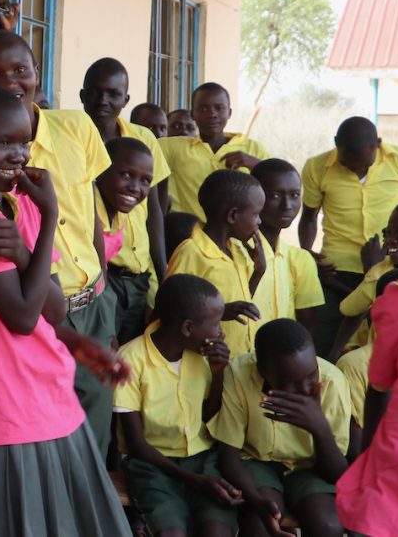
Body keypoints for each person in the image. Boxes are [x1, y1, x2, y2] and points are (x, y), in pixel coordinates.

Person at [0, 84, 130, 536]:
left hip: (47, 396)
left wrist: (29, 249)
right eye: (3, 142)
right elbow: (22, 317)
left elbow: (55, 309)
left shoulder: (19, 204)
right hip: (2, 408)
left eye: (23, 142)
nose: (18, 154)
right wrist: (43, 231)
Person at [0, 29, 119, 458]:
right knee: (49, 436)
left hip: (93, 302)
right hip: (38, 308)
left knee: (95, 429)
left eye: (20, 70)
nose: (10, 82)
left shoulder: (76, 127)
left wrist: (101, 282)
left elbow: (89, 206)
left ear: (38, 72)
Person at [114, 274, 240, 537]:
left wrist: (218, 373)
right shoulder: (130, 360)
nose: (221, 332)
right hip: (151, 465)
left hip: (202, 459)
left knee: (217, 530)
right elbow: (137, 446)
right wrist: (194, 481)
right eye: (215, 324)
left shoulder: (205, 356)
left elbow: (211, 417)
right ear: (187, 328)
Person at [210, 319, 350, 537]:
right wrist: (256, 501)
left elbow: (337, 475)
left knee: (328, 525)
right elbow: (228, 457)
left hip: (310, 467)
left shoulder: (332, 382)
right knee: (258, 524)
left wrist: (319, 428)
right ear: (263, 370)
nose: (304, 388)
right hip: (257, 462)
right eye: (290, 382)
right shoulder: (238, 374)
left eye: (312, 374)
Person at [298, 116, 398, 358]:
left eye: (363, 164)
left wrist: (394, 247)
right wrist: (307, 255)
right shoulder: (316, 168)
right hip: (335, 271)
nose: (357, 170)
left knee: (379, 345)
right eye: (349, 165)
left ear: (377, 145)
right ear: (336, 143)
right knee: (326, 340)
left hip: (386, 264)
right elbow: (308, 217)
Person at [80, 58, 170, 287]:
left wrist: (163, 272)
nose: (103, 101)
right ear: (82, 95)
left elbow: (154, 212)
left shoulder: (144, 139)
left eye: (113, 94)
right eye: (95, 92)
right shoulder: (73, 141)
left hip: (139, 272)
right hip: (94, 273)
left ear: (126, 99)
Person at [335, 268, 398, 536]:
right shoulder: (397, 301)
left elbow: (378, 391)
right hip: (397, 465)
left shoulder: (397, 301)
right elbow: (378, 390)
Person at [166, 169, 266, 357]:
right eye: (256, 214)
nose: (259, 221)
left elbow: (242, 306)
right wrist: (221, 312)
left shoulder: (236, 250)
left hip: (234, 356)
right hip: (204, 359)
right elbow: (171, 311)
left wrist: (258, 271)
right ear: (233, 215)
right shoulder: (192, 251)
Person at [159, 82, 269, 220]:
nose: (212, 114)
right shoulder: (174, 147)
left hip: (239, 239)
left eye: (219, 108)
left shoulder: (253, 148)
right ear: (192, 114)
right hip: (190, 237)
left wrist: (256, 165)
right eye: (204, 109)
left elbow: (278, 187)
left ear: (229, 112)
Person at [327, 201, 398, 361]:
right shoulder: (379, 273)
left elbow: (349, 309)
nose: (392, 240)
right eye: (389, 233)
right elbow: (351, 310)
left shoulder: (379, 273)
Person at [251, 159, 325, 334]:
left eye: (295, 195)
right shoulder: (234, 251)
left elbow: (307, 325)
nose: (287, 206)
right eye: (275, 196)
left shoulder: (301, 260)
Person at [95, 137, 156, 344]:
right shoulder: (88, 212)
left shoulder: (120, 213)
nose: (135, 187)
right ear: (101, 171)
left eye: (145, 181)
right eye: (126, 175)